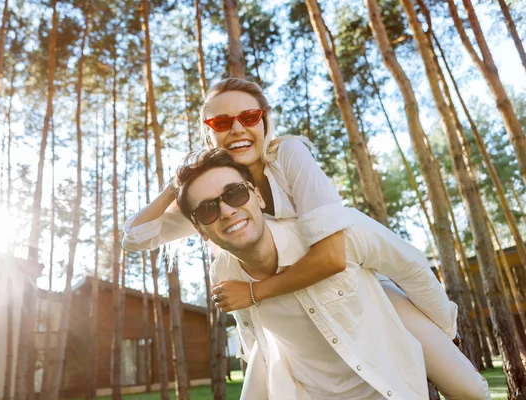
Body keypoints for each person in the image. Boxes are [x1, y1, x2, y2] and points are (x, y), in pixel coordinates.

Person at [122, 78, 487, 397]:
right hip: (287, 323)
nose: (236, 129)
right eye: (221, 122)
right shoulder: (215, 200)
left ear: (264, 120)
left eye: (248, 117)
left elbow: (333, 256)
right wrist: (184, 180)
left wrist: (444, 329)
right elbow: (136, 237)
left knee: (469, 387)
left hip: (356, 295)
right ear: (208, 132)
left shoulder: (289, 157)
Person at [172, 148, 490, 399]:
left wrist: (446, 333)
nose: (227, 210)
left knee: (472, 391)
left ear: (257, 195)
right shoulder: (224, 273)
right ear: (200, 229)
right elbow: (250, 334)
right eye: (207, 209)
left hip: (387, 382)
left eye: (235, 194)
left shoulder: (340, 232)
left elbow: (412, 268)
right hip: (312, 390)